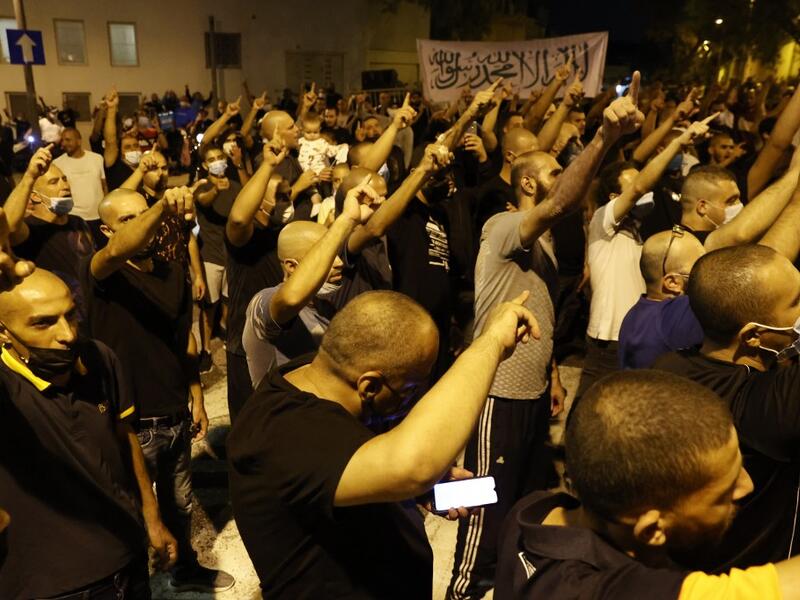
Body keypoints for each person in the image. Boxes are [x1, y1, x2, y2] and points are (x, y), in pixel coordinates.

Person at [447, 72, 645, 600]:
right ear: (529, 184)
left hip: (532, 394)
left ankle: (507, 583)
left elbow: (539, 311)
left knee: (524, 501)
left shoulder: (545, 243)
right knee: (480, 502)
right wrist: (604, 137)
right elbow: (560, 203)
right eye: (556, 170)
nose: (565, 177)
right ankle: (461, 589)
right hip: (496, 393)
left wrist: (552, 374)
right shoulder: (502, 226)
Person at [228, 287, 539, 599]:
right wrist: (491, 342)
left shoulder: (324, 378)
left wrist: (413, 491)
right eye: (411, 389)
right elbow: (414, 466)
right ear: (370, 386)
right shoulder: (284, 432)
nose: (412, 401)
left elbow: (339, 464)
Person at [495, 370, 800, 599]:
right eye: (724, 494)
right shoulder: (610, 590)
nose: (747, 486)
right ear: (652, 530)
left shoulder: (535, 508)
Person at [82, 188, 233, 592]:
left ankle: (184, 570)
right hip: (128, 423)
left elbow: (184, 342)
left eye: (143, 214)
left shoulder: (172, 273)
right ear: (106, 230)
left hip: (174, 413)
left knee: (180, 504)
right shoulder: (103, 271)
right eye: (127, 219)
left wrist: (196, 396)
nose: (141, 225)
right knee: (131, 513)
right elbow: (119, 250)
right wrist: (162, 207)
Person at [0, 263, 177, 599]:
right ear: (4, 332)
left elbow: (125, 437)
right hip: (55, 588)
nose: (67, 334)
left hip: (129, 562)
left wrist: (152, 517)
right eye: (43, 323)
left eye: (70, 315)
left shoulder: (98, 357)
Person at [653, 243, 800, 571]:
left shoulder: (667, 366)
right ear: (753, 336)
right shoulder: (766, 406)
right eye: (796, 302)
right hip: (755, 580)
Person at [575, 116, 713, 401]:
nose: (644, 190)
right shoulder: (603, 222)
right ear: (614, 197)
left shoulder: (639, 230)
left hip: (636, 335)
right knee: (589, 412)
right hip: (607, 342)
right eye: (634, 186)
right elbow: (639, 187)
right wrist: (678, 142)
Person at [224, 141, 290, 421]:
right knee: (250, 425)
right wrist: (268, 166)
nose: (285, 201)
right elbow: (239, 219)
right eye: (279, 195)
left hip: (285, 343)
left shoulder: (283, 234)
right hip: (246, 347)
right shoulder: (245, 240)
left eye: (287, 194)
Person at [4, 145, 94, 318]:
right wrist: (30, 177)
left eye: (64, 179)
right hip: (62, 316)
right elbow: (9, 227)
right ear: (35, 196)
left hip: (94, 312)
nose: (65, 185)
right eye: (54, 182)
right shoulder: (31, 229)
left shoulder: (78, 222)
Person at [618, 227, 705, 369]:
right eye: (699, 269)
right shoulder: (679, 311)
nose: (707, 274)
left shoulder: (633, 315)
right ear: (673, 283)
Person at [194, 145, 242, 372]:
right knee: (208, 306)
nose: (216, 162)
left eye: (219, 157)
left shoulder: (234, 186)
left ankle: (228, 337)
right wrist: (215, 190)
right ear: (205, 165)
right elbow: (203, 201)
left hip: (231, 254)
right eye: (211, 159)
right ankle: (205, 350)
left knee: (228, 301)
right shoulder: (203, 186)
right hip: (211, 255)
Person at [54, 127, 108, 238]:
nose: (63, 144)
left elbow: (104, 186)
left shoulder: (97, 158)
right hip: (74, 218)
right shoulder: (57, 163)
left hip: (98, 216)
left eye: (68, 140)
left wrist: (107, 211)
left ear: (79, 141)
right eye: (62, 140)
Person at [103, 87, 144, 192]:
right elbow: (110, 141)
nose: (133, 149)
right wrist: (112, 109)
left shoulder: (146, 169)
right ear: (120, 152)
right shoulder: (115, 167)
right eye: (127, 147)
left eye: (136, 146)